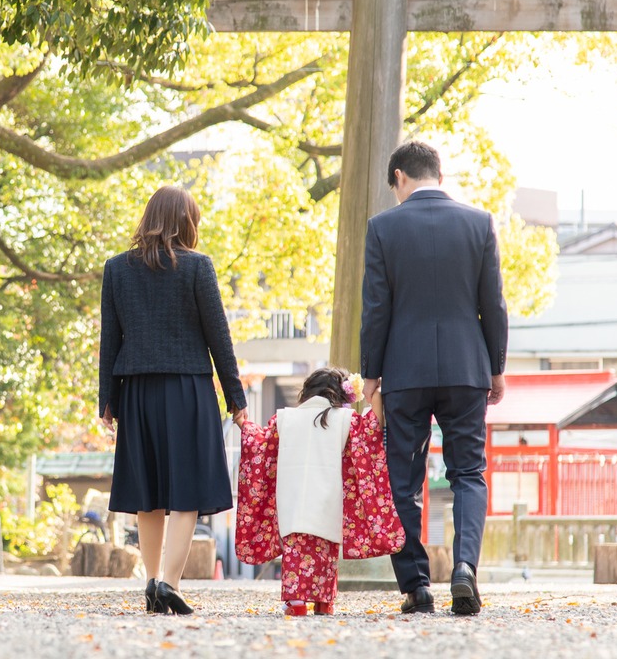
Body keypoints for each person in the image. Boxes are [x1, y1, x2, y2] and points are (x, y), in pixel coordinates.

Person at [359, 140, 509, 616]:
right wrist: (497, 368)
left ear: (399, 177)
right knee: (469, 472)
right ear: (439, 176)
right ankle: (464, 568)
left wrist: (370, 376)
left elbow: (376, 308)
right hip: (467, 368)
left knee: (402, 479)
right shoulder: (479, 223)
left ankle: (416, 586)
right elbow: (494, 305)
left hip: (405, 371)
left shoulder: (382, 228)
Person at [99, 185, 248, 616]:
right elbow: (219, 338)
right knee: (187, 490)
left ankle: (151, 582)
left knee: (147, 492)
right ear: (186, 222)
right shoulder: (198, 267)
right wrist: (236, 398)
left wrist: (107, 401)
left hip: (137, 392)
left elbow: (110, 340)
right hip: (188, 389)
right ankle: (170, 583)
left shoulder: (117, 269)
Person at [232, 367, 404, 616]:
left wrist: (242, 422)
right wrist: (372, 391)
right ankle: (324, 601)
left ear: (307, 391)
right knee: (325, 553)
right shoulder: (345, 420)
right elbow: (372, 426)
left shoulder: (284, 418)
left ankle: (296, 601)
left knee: (296, 552)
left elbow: (259, 442)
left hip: (292, 502)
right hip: (328, 501)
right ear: (340, 394)